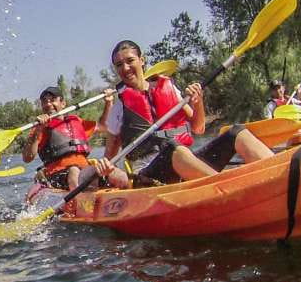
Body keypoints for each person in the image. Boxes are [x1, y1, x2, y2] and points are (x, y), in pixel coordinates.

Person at [92, 40, 274, 187]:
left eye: (130, 61)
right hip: (149, 177)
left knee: (236, 133)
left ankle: (280, 173)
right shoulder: (119, 108)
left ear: (142, 60)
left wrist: (198, 101)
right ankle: (229, 190)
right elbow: (110, 157)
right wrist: (106, 168)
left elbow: (198, 128)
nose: (125, 68)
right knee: (173, 149)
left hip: (186, 162)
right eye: (119, 65)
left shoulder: (169, 89)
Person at [22, 86, 109, 192]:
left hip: (85, 171)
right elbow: (27, 158)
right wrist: (38, 131)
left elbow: (104, 126)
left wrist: (108, 103)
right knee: (74, 171)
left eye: (52, 100)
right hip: (57, 175)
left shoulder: (76, 121)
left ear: (63, 104)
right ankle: (83, 203)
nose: (48, 104)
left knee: (115, 173)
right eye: (44, 101)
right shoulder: (39, 128)